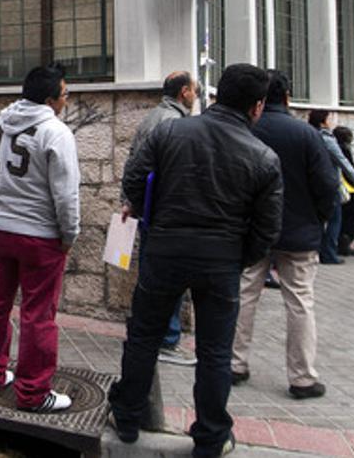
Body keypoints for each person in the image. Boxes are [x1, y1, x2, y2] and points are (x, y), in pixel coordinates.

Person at [109, 64, 282, 456]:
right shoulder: (264, 157)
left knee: (143, 336)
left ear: (216, 95)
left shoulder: (171, 131)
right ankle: (210, 435)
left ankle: (128, 415)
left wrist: (145, 217)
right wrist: (238, 257)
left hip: (165, 249)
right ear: (257, 107)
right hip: (221, 260)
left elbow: (135, 177)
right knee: (215, 352)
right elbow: (267, 229)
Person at [0, 64, 80, 413]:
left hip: (1, 228)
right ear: (50, 99)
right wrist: (69, 233)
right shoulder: (55, 131)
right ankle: (34, 392)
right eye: (65, 95)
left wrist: (0, 209)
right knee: (38, 313)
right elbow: (66, 194)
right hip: (40, 235)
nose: (66, 101)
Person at [231, 71, 336, 402]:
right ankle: (302, 377)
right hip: (299, 231)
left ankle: (234, 364)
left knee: (245, 294)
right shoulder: (306, 134)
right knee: (301, 302)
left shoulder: (247, 130)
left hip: (252, 230)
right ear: (287, 96)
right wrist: (317, 219)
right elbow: (327, 185)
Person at [128, 71, 200, 367]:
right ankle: (166, 340)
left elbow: (134, 162)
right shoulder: (175, 124)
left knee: (150, 275)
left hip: (150, 212)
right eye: (195, 90)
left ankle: (146, 334)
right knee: (168, 278)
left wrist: (130, 202)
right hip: (167, 215)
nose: (197, 95)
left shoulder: (152, 118)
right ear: (184, 92)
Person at [307, 109, 354, 265]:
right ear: (322, 121)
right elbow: (342, 162)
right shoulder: (326, 138)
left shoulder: (307, 135)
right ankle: (329, 254)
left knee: (317, 221)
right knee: (334, 220)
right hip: (329, 184)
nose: (331, 122)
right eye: (329, 118)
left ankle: (315, 251)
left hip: (310, 185)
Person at [334, 127, 354, 257]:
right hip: (348, 189)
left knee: (343, 216)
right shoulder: (343, 150)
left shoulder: (336, 148)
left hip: (341, 188)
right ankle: (345, 240)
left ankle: (341, 241)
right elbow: (348, 170)